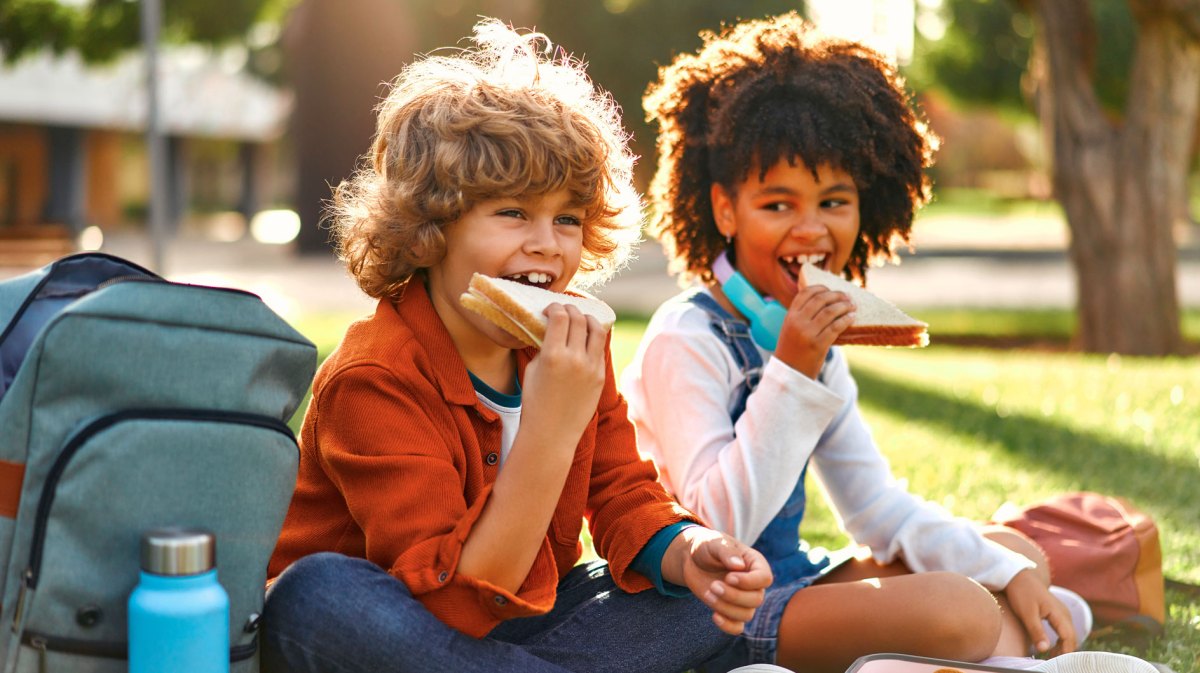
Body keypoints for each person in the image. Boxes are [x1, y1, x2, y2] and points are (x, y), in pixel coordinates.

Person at [260, 18, 773, 673]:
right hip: (393, 630)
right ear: (431, 226)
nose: (547, 243)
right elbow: (451, 606)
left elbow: (622, 491)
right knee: (315, 597)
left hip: (516, 628)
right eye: (512, 212)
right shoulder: (373, 376)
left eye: (567, 218)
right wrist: (550, 426)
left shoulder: (567, 344)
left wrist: (689, 549)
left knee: (699, 604)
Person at [621, 12, 1090, 673]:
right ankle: (1007, 640)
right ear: (725, 209)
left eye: (834, 202)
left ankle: (997, 632)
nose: (810, 230)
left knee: (1019, 553)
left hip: (800, 583)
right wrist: (794, 367)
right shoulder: (685, 337)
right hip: (712, 615)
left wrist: (1009, 568)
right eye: (777, 205)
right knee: (958, 610)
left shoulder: (813, 341)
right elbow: (719, 525)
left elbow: (877, 508)